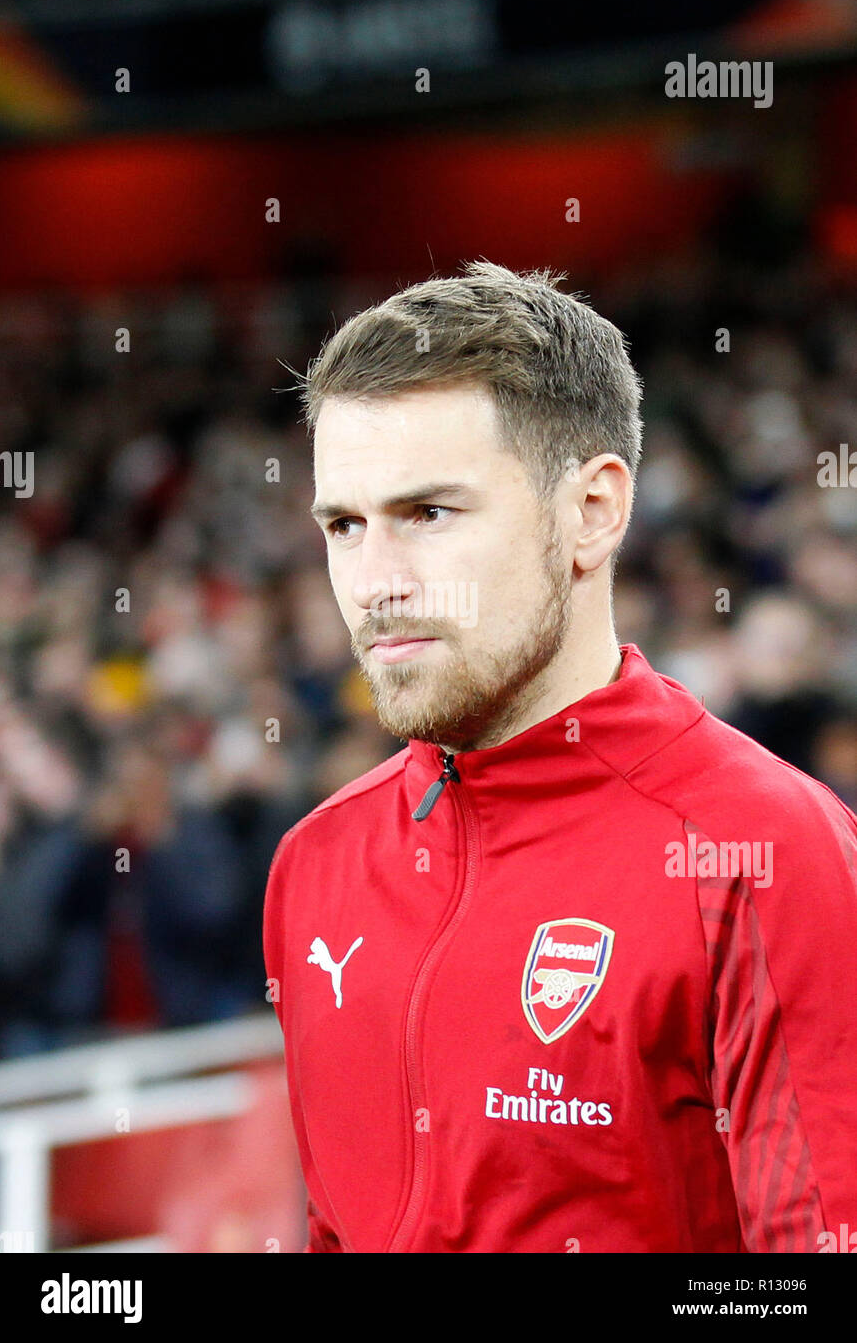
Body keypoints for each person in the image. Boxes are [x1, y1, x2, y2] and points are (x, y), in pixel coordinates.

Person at [263, 260, 857, 1253]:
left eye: (427, 514)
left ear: (591, 512)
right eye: (344, 525)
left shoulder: (764, 852)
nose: (374, 582)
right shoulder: (315, 863)